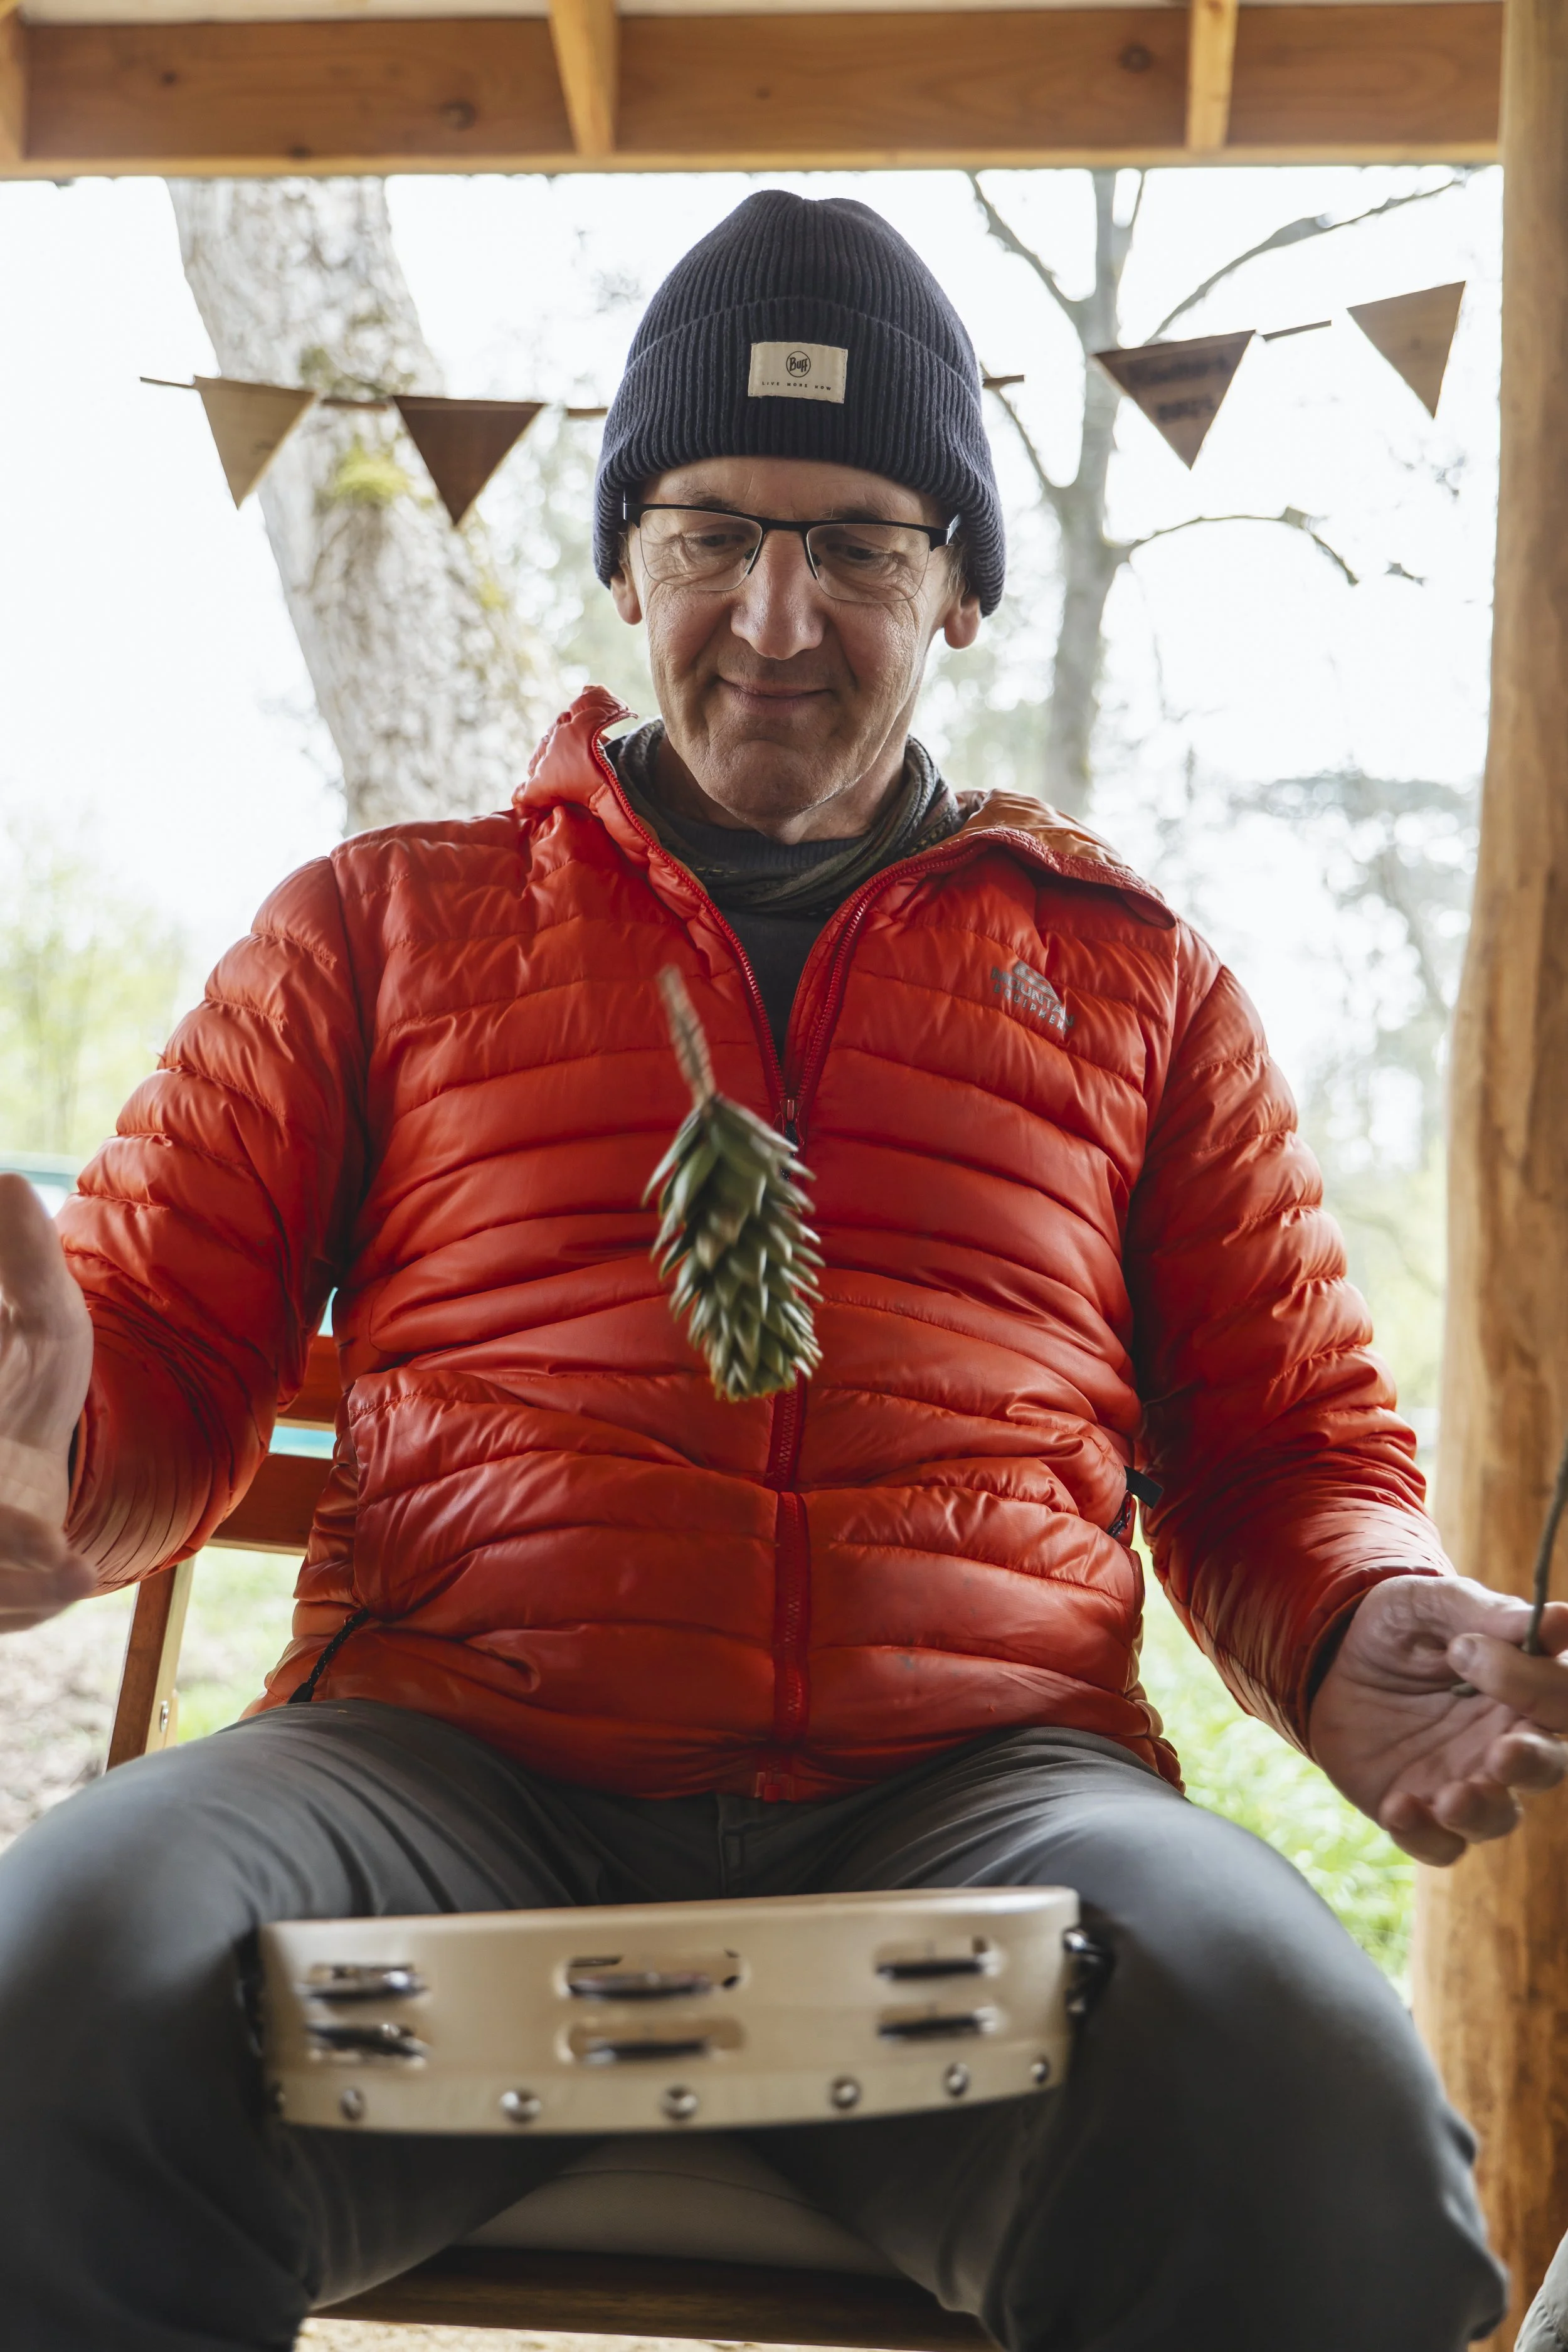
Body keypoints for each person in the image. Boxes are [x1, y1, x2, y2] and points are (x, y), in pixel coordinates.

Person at [0, 189, 1553, 2352]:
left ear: (966, 588)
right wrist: (51, 1451)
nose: (777, 612)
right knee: (35, 2004)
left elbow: (1279, 1437)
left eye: (865, 541)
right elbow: (155, 1341)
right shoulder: (379, 929)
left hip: (985, 1794)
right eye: (714, 529)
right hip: (449, 1765)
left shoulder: (1135, 983)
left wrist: (1367, 1611)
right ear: (624, 557)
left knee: (1319, 2121)